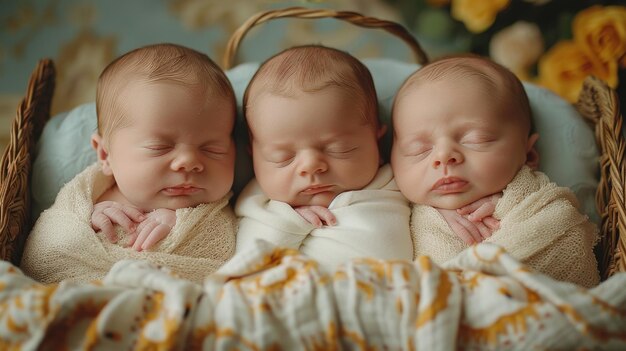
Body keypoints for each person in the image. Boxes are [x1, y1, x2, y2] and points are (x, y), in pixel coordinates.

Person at [20, 43, 238, 284]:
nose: (189, 162)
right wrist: (89, 218)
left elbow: (226, 263)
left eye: (212, 149)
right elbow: (47, 252)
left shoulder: (215, 215)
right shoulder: (86, 200)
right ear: (105, 155)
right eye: (160, 147)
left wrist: (179, 224)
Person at [390, 54, 600, 287]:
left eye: (476, 139)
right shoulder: (391, 204)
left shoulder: (537, 204)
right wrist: (434, 213)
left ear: (529, 155)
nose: (443, 156)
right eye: (419, 149)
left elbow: (564, 224)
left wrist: (508, 204)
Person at [234, 45, 414, 270]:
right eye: (283, 157)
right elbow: (248, 259)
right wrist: (291, 220)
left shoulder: (401, 179)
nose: (311, 167)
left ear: (376, 140)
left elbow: (434, 206)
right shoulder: (259, 201)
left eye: (339, 149)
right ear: (253, 154)